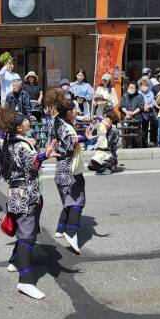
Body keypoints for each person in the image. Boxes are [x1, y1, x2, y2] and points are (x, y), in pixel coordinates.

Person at [0, 107, 55, 300]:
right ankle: (25, 281)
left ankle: (15, 261)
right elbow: (31, 163)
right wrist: (44, 154)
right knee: (27, 236)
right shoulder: (21, 145)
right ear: (20, 128)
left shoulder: (5, 141)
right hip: (27, 192)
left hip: (15, 191)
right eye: (25, 120)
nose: (29, 121)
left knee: (22, 228)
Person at [51, 95, 87, 253]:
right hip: (70, 170)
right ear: (68, 112)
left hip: (61, 169)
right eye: (74, 109)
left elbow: (68, 141)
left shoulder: (58, 122)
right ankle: (71, 233)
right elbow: (68, 145)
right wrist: (86, 137)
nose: (76, 111)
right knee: (77, 201)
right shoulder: (65, 126)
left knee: (69, 199)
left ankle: (60, 228)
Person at [120, 81, 145, 148]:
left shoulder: (140, 96)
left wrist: (132, 113)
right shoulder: (125, 95)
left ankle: (137, 148)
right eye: (129, 87)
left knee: (136, 135)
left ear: (136, 89)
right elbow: (122, 106)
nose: (130, 89)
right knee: (126, 134)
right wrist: (127, 112)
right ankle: (126, 147)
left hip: (136, 118)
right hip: (126, 117)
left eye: (132, 88)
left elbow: (141, 107)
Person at [138, 78, 155, 147]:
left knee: (145, 128)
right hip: (139, 112)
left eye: (145, 85)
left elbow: (153, 102)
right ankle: (139, 142)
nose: (144, 87)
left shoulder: (151, 93)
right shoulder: (138, 92)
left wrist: (149, 106)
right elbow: (137, 102)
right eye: (142, 85)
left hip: (148, 113)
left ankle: (144, 143)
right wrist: (143, 106)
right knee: (139, 128)